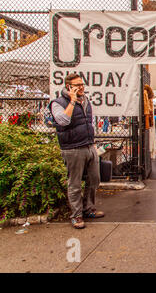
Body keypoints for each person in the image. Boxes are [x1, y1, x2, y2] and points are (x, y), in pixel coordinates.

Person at [49, 73, 104, 229]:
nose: (81, 87)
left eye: (82, 84)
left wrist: (93, 144)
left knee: (94, 179)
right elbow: (63, 121)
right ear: (69, 87)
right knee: (75, 183)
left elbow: (88, 122)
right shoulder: (58, 103)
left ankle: (88, 209)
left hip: (88, 145)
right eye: (77, 85)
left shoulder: (85, 101)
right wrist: (72, 102)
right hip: (72, 149)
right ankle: (76, 215)